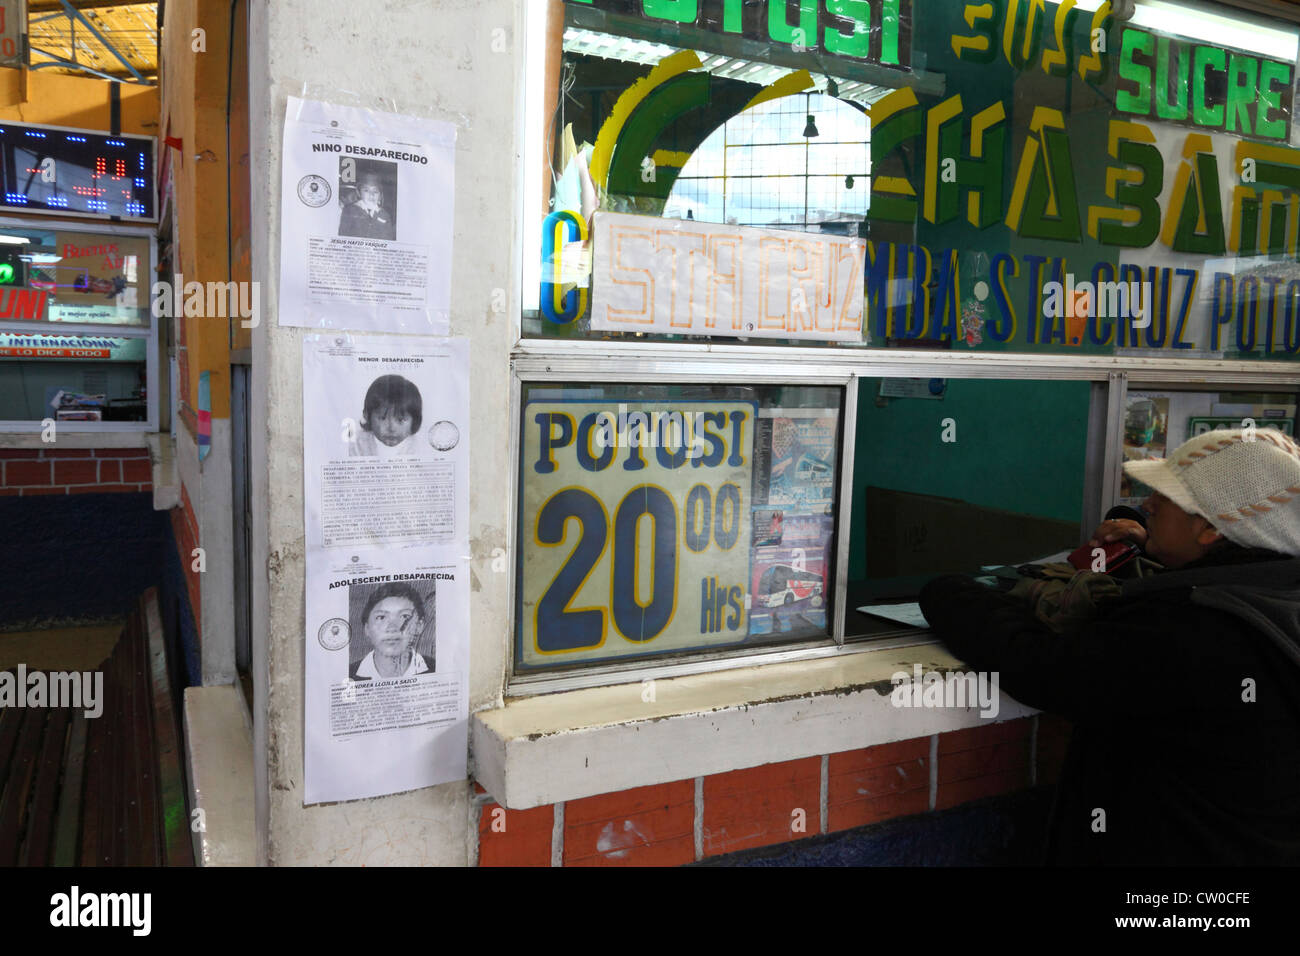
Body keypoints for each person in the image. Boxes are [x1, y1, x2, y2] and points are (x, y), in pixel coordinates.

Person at [917, 427, 1300, 865]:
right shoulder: (1277, 595)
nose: (1148, 505)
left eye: (1166, 498)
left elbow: (1042, 668)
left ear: (1211, 528)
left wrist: (951, 592)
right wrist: (1158, 549)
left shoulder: (1190, 629)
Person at [350, 582, 434, 680]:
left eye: (405, 616)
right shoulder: (348, 674)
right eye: (381, 617)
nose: (392, 628)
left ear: (419, 626)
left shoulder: (435, 667)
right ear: (367, 629)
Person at [349, 374, 422, 457]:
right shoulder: (357, 444)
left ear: (414, 420)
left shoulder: (420, 448)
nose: (391, 428)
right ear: (367, 415)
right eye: (382, 418)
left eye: (400, 420)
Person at [338, 173, 396, 240]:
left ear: (380, 195)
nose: (371, 195)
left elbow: (388, 237)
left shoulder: (385, 215)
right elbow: (343, 234)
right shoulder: (349, 211)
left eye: (375, 191)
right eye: (366, 190)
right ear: (359, 193)